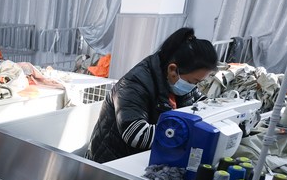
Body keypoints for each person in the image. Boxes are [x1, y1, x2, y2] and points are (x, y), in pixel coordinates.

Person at [85, 27, 218, 164]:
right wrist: (186, 132)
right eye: (192, 82)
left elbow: (201, 104)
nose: (193, 87)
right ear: (173, 70)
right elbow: (137, 135)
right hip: (110, 163)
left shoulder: (179, 80)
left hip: (142, 159)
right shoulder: (134, 84)